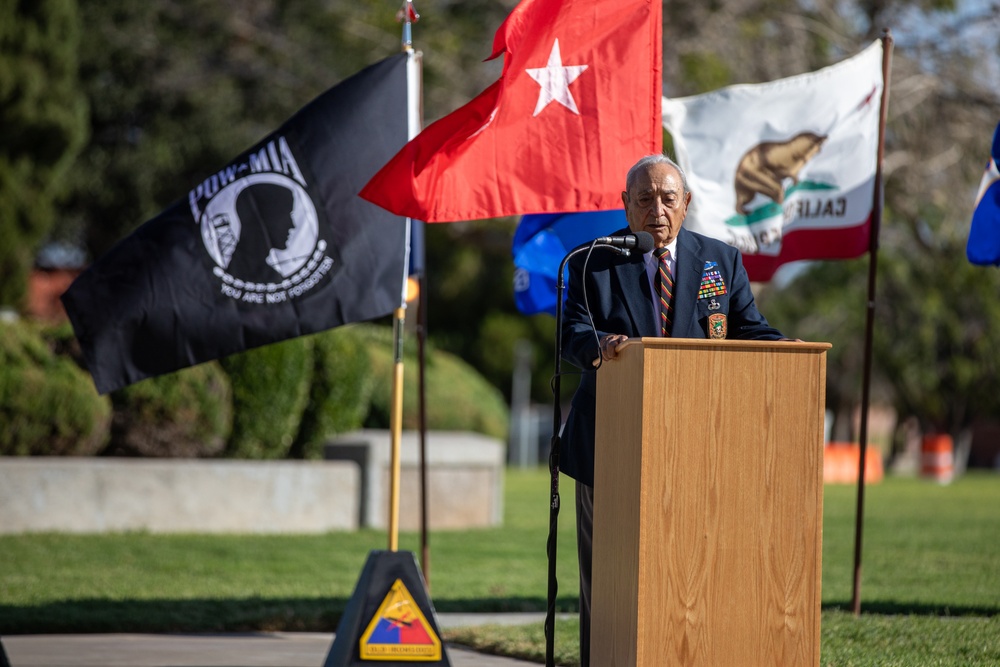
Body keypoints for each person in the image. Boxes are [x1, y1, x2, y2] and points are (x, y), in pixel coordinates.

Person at [559, 154, 787, 666]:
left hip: (697, 448)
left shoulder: (719, 261)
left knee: (688, 574)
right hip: (608, 447)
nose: (656, 209)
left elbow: (747, 328)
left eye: (667, 198)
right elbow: (570, 333)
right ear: (625, 205)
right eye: (644, 199)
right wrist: (602, 346)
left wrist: (785, 349)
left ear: (686, 204)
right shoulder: (591, 261)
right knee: (611, 580)